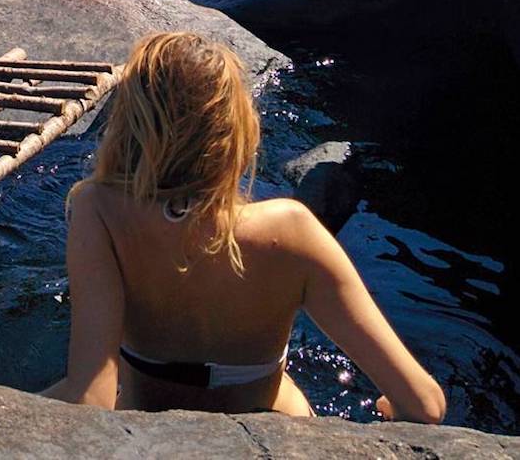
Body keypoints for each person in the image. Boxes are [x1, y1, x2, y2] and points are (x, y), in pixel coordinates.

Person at [43, 32, 446, 423]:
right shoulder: (293, 229)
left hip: (151, 435)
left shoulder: (100, 210)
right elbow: (424, 405)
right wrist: (390, 409)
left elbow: (90, 399)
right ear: (235, 132)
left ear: (130, 126)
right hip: (280, 432)